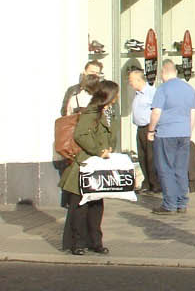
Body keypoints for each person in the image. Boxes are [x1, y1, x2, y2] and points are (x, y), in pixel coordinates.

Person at [60, 79, 117, 256]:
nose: (116, 99)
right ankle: (77, 243)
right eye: (115, 95)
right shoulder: (91, 112)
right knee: (80, 206)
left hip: (98, 165)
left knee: (96, 207)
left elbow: (108, 135)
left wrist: (109, 150)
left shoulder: (106, 112)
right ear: (107, 95)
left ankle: (95, 241)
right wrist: (99, 150)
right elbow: (80, 135)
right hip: (84, 165)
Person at [146, 60, 195, 215]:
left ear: (163, 72)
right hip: (184, 133)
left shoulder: (163, 89)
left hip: (166, 133)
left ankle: (169, 204)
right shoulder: (189, 89)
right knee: (180, 168)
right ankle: (182, 202)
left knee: (165, 168)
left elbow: (156, 112)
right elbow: (193, 113)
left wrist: (151, 130)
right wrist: (189, 131)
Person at [127, 69, 159, 193]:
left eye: (131, 80)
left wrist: (153, 129)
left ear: (139, 80)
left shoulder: (151, 92)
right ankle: (147, 182)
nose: (130, 83)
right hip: (140, 128)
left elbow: (157, 110)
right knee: (142, 156)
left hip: (149, 128)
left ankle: (155, 184)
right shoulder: (137, 94)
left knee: (151, 157)